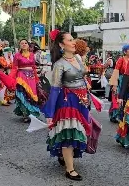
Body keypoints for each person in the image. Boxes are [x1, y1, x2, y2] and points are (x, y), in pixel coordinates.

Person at [42, 30, 91, 181]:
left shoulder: (77, 57)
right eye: (70, 40)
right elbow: (55, 89)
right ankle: (70, 169)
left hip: (81, 100)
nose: (74, 42)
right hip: (67, 101)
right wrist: (49, 114)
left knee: (78, 131)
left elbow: (82, 74)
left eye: (73, 39)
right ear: (62, 45)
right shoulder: (59, 64)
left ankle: (64, 156)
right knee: (69, 131)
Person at [9, 39, 40, 123]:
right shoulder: (17, 55)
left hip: (31, 77)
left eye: (25, 43)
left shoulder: (32, 54)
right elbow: (14, 68)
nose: (24, 44)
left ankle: (33, 114)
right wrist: (10, 78)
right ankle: (26, 115)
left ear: (28, 45)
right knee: (23, 95)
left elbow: (33, 67)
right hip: (21, 77)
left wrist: (37, 78)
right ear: (20, 45)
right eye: (22, 43)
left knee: (32, 95)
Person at [108, 44, 129, 123]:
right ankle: (115, 115)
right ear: (125, 51)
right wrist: (114, 84)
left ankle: (125, 115)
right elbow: (116, 71)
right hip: (121, 80)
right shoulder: (121, 59)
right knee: (118, 97)